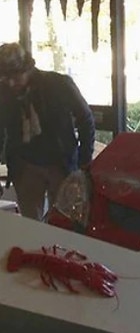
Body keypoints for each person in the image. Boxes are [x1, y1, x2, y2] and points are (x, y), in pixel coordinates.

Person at [0, 42, 95, 221]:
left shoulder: (58, 84)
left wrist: (84, 164)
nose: (11, 83)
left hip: (60, 163)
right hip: (25, 165)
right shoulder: (4, 93)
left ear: (28, 69)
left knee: (64, 221)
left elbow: (86, 120)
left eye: (16, 76)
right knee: (31, 225)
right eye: (5, 78)